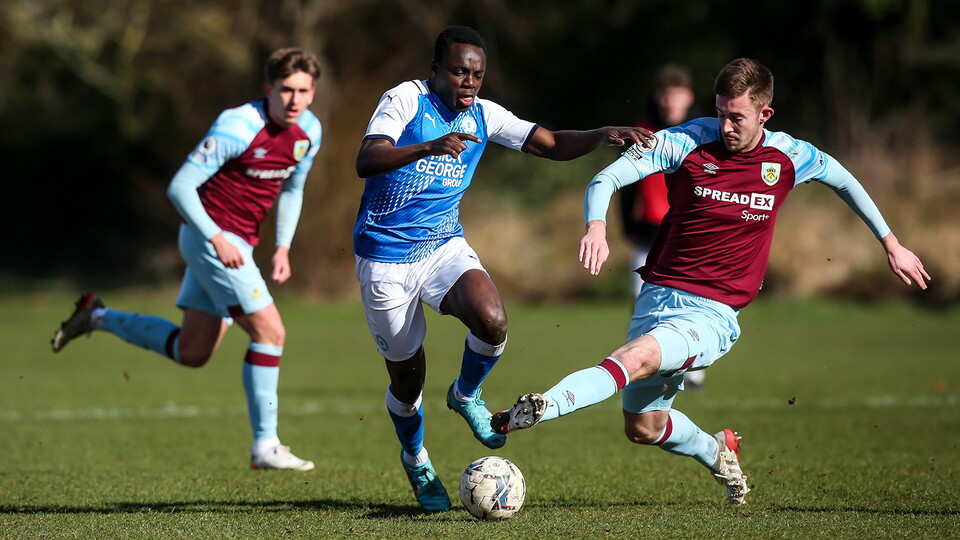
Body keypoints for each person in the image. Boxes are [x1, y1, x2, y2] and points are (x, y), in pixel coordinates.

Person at [491, 58, 930, 506]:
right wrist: (597, 226)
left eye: (736, 116)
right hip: (657, 297)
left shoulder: (788, 156)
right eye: (720, 112)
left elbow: (846, 181)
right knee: (644, 427)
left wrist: (891, 243)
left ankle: (542, 406)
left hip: (713, 313)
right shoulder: (685, 141)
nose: (725, 125)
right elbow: (606, 179)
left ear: (765, 114)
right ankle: (717, 450)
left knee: (636, 356)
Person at [353, 25, 652, 512]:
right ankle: (416, 458)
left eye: (477, 74)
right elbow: (367, 159)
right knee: (407, 383)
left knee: (492, 320)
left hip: (442, 246)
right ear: (434, 70)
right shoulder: (405, 100)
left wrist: (601, 135)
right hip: (384, 259)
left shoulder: (485, 115)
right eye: (457, 71)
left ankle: (466, 394)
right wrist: (429, 146)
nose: (469, 82)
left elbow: (548, 143)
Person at [51, 48, 323, 472]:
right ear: (268, 88)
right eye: (286, 90)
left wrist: (283, 246)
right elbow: (180, 187)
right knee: (271, 332)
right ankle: (265, 446)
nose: (295, 100)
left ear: (313, 91)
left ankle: (97, 316)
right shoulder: (237, 126)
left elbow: (291, 189)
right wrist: (216, 238)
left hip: (240, 243)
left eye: (304, 90)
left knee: (192, 351)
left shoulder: (309, 131)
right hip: (209, 239)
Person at [619, 64, 706, 390]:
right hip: (648, 230)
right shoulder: (641, 131)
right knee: (640, 297)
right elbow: (625, 183)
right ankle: (642, 363)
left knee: (691, 297)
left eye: (678, 94)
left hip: (688, 229)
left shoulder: (701, 132)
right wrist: (626, 223)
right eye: (666, 94)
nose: (671, 101)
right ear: (658, 97)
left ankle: (694, 366)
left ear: (689, 97)